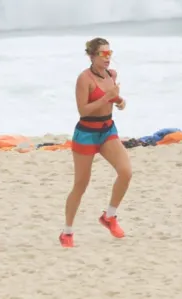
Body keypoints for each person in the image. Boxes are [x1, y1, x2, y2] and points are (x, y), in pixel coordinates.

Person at [59, 37, 132, 248]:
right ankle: (67, 232)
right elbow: (83, 110)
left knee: (126, 171)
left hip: (107, 130)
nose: (109, 58)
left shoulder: (112, 75)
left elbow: (113, 99)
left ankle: (109, 217)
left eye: (110, 53)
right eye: (104, 54)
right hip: (87, 133)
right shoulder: (84, 79)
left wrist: (119, 101)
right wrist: (106, 98)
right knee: (81, 185)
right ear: (92, 56)